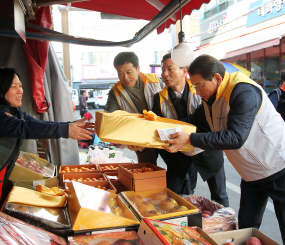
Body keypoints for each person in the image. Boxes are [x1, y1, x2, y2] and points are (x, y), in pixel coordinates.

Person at [0, 68, 94, 244]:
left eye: (20, 85)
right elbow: (23, 129)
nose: (20, 90)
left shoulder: (12, 111)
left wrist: (69, 125)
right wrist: (66, 131)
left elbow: (36, 124)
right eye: (14, 86)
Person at [163, 55, 285, 243]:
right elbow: (192, 121)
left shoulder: (243, 92)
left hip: (277, 167)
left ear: (217, 79)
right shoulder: (210, 99)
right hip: (251, 174)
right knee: (246, 227)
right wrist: (162, 130)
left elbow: (236, 137)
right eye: (194, 86)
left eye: (199, 85)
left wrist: (190, 139)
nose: (196, 91)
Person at [148, 54, 228, 205]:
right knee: (175, 198)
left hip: (207, 149)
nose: (165, 74)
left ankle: (226, 225)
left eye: (170, 69)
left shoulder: (201, 90)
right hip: (178, 155)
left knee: (219, 195)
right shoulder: (158, 98)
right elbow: (157, 128)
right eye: (163, 70)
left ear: (184, 71)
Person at [106, 51, 164, 164]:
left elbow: (167, 103)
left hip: (161, 131)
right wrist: (127, 139)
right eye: (120, 73)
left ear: (138, 68)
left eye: (129, 72)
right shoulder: (115, 92)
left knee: (177, 171)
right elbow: (111, 118)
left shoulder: (154, 80)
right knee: (146, 171)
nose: (125, 77)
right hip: (140, 138)